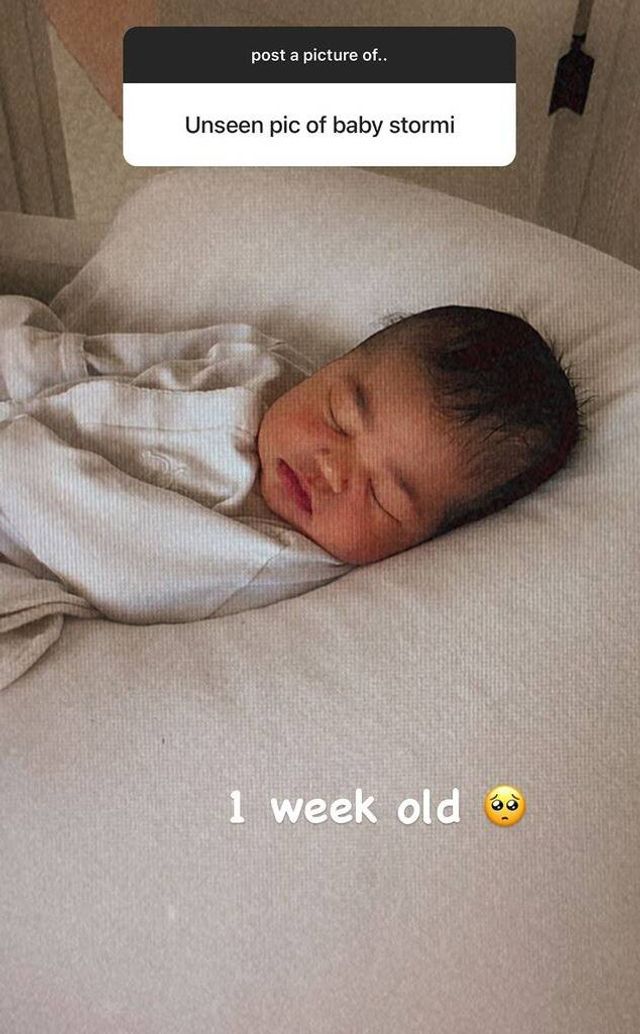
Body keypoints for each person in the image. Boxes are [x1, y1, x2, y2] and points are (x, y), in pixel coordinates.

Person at [0, 298, 580, 628]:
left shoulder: (265, 554)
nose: (332, 469)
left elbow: (113, 555)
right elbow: (135, 357)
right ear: (332, 365)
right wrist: (41, 360)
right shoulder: (265, 366)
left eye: (381, 496)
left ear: (422, 542)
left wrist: (15, 455)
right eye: (340, 415)